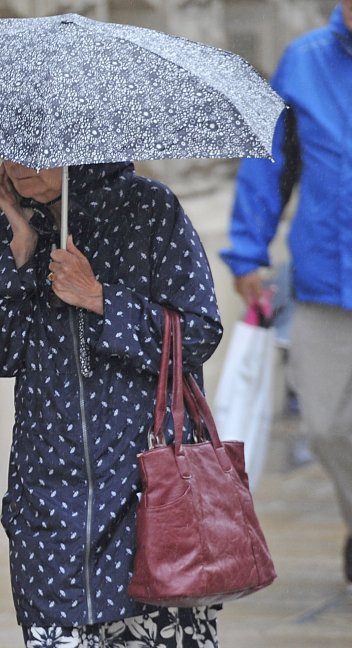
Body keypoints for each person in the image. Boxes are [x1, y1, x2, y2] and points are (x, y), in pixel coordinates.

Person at [0, 161, 223, 647]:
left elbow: (199, 333)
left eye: (39, 153)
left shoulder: (150, 209)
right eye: (14, 147)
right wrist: (19, 250)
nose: (21, 167)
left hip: (147, 494)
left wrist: (101, 299)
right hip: (48, 506)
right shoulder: (13, 224)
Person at [221, 0, 352, 583]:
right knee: (326, 426)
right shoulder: (304, 62)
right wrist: (249, 250)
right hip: (326, 280)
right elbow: (270, 162)